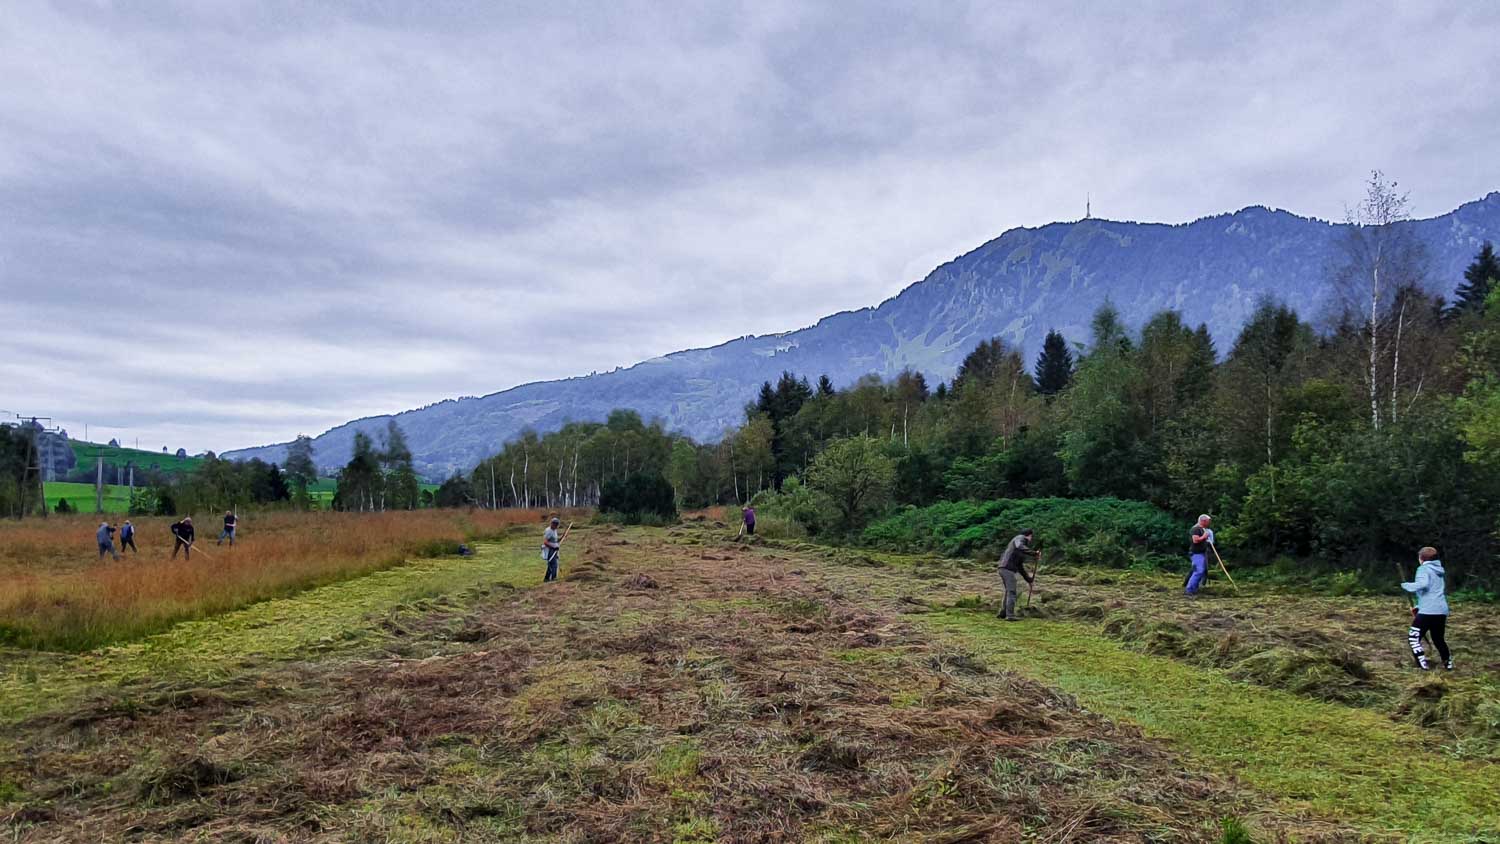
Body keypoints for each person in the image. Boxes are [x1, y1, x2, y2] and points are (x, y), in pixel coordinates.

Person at [1402, 547, 1452, 671]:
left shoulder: (1423, 568)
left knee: (1413, 638)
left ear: (1421, 559)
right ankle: (1448, 663)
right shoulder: (1439, 571)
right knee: (1438, 638)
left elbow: (1423, 585)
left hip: (1428, 611)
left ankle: (1422, 664)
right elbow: (1432, 592)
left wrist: (1406, 585)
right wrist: (1419, 607)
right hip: (1440, 610)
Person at [997, 529, 1039, 621]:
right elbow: (1019, 545)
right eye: (1031, 537)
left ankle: (1003, 613)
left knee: (1008, 591)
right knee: (1012, 592)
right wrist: (1034, 553)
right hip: (1007, 569)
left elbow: (1020, 567)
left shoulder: (1019, 552)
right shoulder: (1020, 538)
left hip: (1004, 568)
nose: (1031, 540)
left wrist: (1029, 580)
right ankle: (1010, 616)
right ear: (1029, 535)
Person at [1185, 514, 1213, 596]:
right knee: (1198, 571)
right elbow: (1195, 540)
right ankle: (1189, 590)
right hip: (1196, 554)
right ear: (1203, 521)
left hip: (1202, 553)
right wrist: (1204, 536)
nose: (1209, 523)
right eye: (1208, 521)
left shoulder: (1203, 529)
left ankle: (1194, 589)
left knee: (1201, 571)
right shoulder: (1196, 529)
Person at [542, 517, 563, 583]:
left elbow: (555, 540)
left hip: (554, 549)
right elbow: (545, 542)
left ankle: (546, 578)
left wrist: (562, 537)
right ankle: (553, 578)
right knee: (554, 564)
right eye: (555, 525)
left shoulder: (554, 530)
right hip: (550, 550)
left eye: (557, 525)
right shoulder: (549, 531)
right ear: (552, 524)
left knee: (551, 564)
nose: (556, 526)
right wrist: (553, 547)